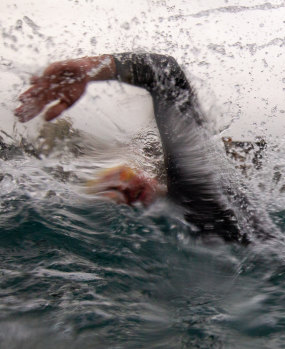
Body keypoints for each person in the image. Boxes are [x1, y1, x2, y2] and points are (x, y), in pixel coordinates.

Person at [15, 53, 271, 244]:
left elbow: (167, 74)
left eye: (127, 176)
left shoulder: (199, 197)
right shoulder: (191, 216)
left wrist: (94, 67)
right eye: (122, 195)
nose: (127, 183)